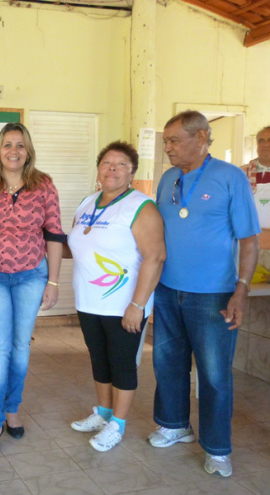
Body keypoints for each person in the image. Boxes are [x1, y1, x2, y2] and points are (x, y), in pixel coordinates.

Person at [149, 110, 260, 477]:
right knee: (168, 365)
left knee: (213, 375)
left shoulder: (230, 179)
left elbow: (248, 240)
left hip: (212, 295)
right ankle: (174, 424)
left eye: (173, 141)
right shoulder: (167, 179)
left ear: (200, 138)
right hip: (167, 290)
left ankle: (217, 448)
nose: (167, 148)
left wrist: (240, 290)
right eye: (166, 141)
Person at [0, 123, 65, 457]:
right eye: (7, 145)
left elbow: (55, 234)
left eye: (20, 145)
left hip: (32, 275)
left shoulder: (43, 184)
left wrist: (54, 282)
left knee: (20, 347)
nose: (13, 151)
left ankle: (12, 410)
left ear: (28, 150)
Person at [66, 141, 165, 452]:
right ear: (98, 168)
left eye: (121, 164)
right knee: (99, 360)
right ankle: (104, 413)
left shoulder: (141, 206)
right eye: (107, 162)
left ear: (132, 172)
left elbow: (156, 257)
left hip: (124, 303)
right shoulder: (88, 202)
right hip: (88, 300)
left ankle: (118, 425)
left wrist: (137, 305)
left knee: (122, 363)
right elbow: (77, 245)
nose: (113, 168)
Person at [242, 126, 270, 228]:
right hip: (248, 236)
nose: (266, 144)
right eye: (261, 141)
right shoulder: (241, 173)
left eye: (269, 140)